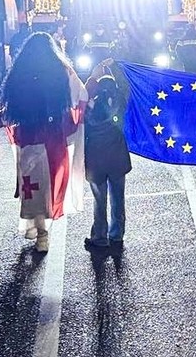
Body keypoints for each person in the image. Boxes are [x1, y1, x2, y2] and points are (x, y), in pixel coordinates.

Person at [1, 32, 88, 253]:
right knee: (50, 185)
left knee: (32, 187)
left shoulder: (19, 74)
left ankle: (37, 228)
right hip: (53, 138)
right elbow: (81, 95)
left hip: (29, 137)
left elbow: (10, 108)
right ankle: (42, 233)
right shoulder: (61, 71)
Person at [82, 61, 131, 253]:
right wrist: (115, 68)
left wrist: (94, 77)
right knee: (118, 198)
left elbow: (81, 96)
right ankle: (116, 234)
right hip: (118, 159)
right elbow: (125, 86)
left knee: (99, 200)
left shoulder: (90, 105)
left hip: (96, 161)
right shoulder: (120, 102)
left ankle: (99, 237)